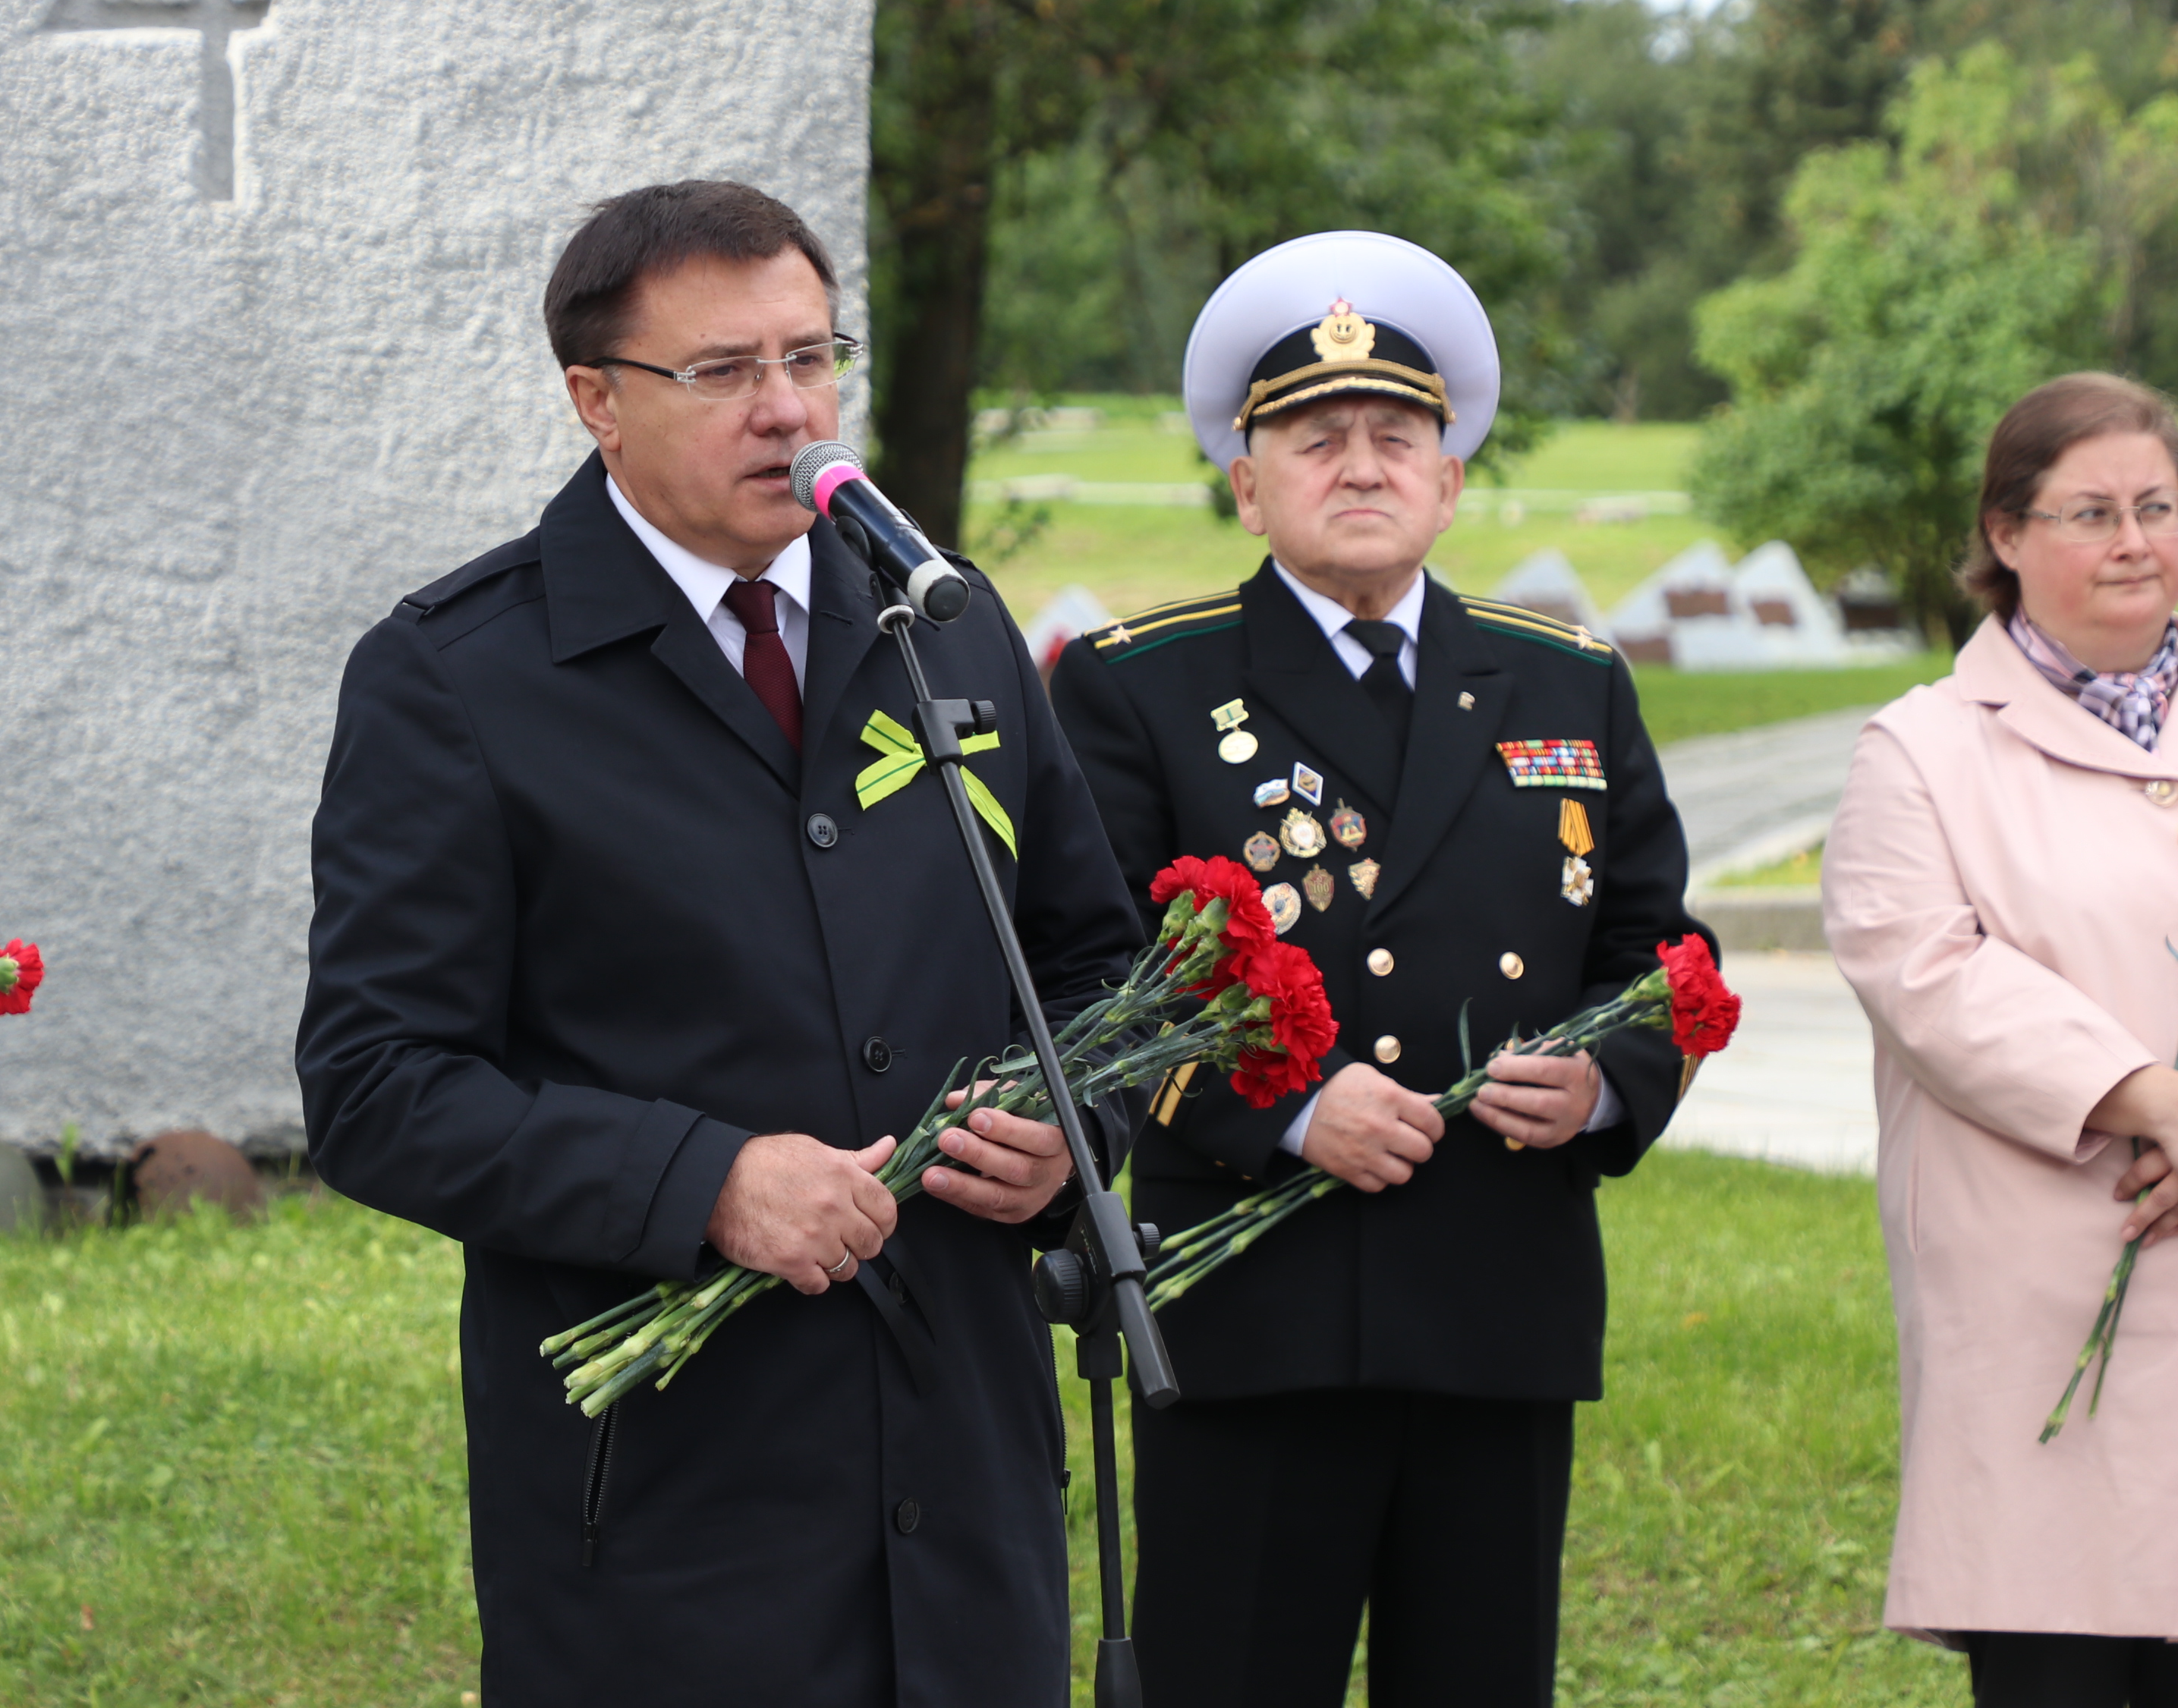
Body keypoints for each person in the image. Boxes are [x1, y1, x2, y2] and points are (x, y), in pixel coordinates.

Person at [295, 180, 1145, 1705]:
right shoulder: (461, 678)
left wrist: (1075, 1128)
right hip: (671, 1510)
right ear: (596, 401)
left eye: (811, 358)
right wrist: (706, 1182)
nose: (787, 410)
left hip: (965, 1485)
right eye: (724, 370)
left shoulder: (943, 624)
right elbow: (377, 1086)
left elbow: (1092, 967)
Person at [1048, 231, 1704, 1708]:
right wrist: (1282, 1112)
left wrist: (1607, 1083)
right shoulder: (1139, 687)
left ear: (1448, 480)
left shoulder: (1569, 680)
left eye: (1397, 438)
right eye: (1316, 438)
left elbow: (1659, 947)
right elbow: (1092, 974)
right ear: (1247, 483)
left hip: (1498, 1298)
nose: (1361, 467)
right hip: (1257, 1307)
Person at [1823, 372, 2178, 1706]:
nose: (2133, 542)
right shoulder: (1920, 751)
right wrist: (2150, 1095)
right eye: (2091, 513)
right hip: (2044, 1301)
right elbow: (1927, 975)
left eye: (2156, 507)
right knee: (2066, 1654)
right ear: (2007, 534)